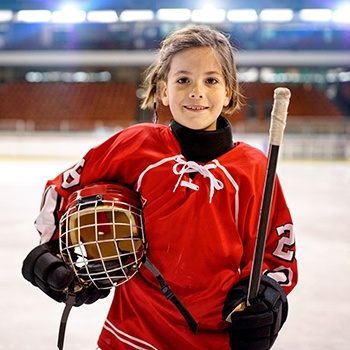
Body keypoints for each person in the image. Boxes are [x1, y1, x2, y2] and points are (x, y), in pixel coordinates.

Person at [22, 25, 298, 350]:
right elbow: (62, 189)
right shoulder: (136, 146)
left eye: (211, 80)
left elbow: (277, 253)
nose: (196, 91)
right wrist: (52, 252)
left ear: (229, 92)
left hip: (217, 336)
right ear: (163, 91)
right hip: (134, 332)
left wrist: (267, 293)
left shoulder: (254, 168)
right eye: (182, 80)